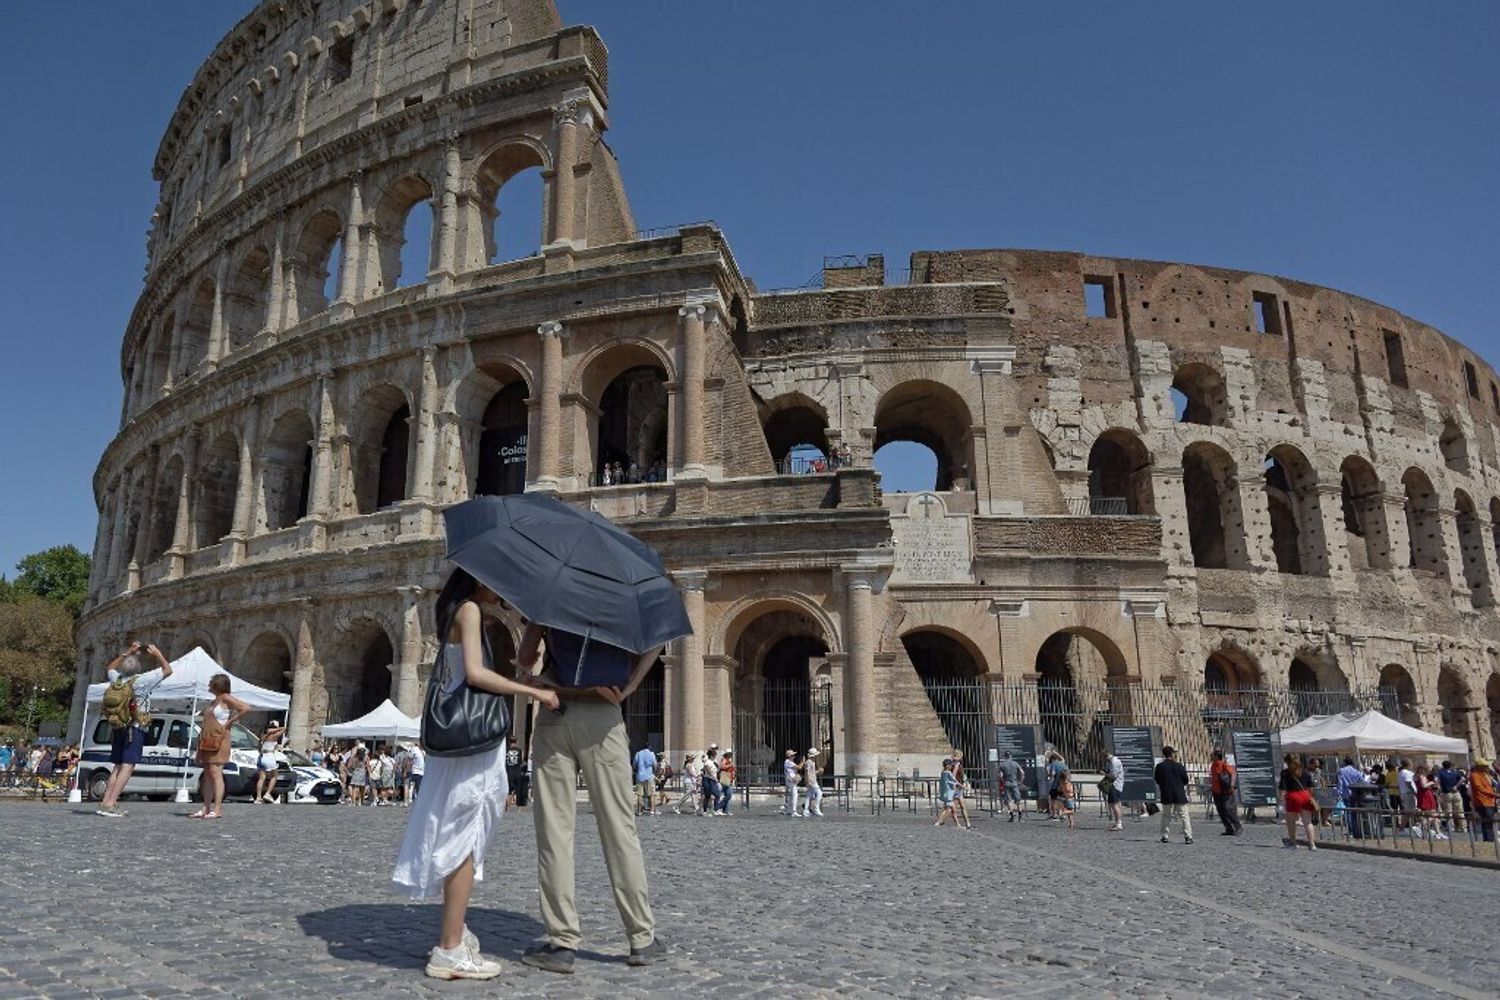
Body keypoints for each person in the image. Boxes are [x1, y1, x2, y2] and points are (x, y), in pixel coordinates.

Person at [390, 570, 559, 980]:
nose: (502, 588)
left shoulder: (453, 610)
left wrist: (520, 676)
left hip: (457, 739)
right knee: (464, 836)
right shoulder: (467, 610)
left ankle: (455, 930)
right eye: (497, 581)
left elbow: (466, 676)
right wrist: (533, 692)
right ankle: (449, 949)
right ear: (481, 579)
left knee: (457, 830)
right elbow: (476, 674)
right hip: (472, 745)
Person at [513, 618, 665, 974]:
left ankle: (562, 942)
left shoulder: (553, 593)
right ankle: (641, 937)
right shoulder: (622, 596)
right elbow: (657, 640)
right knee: (620, 832)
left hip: (555, 710)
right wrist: (630, 686)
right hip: (603, 714)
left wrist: (534, 658)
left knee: (554, 834)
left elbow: (524, 657)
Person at [96, 641, 174, 818]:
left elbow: (110, 667)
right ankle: (111, 803)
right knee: (128, 766)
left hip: (118, 725)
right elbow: (168, 670)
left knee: (117, 766)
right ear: (137, 669)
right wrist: (158, 654)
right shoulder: (141, 681)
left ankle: (106, 802)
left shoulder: (116, 679)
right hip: (135, 727)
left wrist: (128, 652)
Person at [192, 673, 249, 820]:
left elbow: (245, 708)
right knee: (208, 774)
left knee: (216, 773)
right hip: (208, 739)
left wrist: (231, 722)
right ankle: (205, 807)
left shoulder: (225, 698)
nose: (209, 685)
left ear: (217, 685)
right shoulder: (214, 701)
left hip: (219, 740)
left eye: (211, 683)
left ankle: (217, 809)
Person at [1153, 745, 1193, 845]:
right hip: (1179, 793)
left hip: (1166, 793)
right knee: (1184, 816)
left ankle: (1164, 835)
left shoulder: (1160, 766)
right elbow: (1186, 780)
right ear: (1172, 754)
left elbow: (1157, 780)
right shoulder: (1179, 766)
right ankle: (1188, 836)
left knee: (1166, 816)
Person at [1278, 753, 1318, 850]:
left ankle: (1293, 842)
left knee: (1291, 821)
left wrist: (1280, 798)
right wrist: (1311, 797)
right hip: (1305, 796)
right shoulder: (1305, 772)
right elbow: (1311, 787)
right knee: (1308, 822)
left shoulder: (1285, 773)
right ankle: (1312, 844)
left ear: (1287, 762)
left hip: (1293, 796)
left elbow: (1282, 787)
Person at [1208, 749, 1242, 836]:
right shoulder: (1213, 765)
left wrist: (1232, 785)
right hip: (1216, 791)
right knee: (1221, 811)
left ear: (1216, 756)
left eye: (1212, 755)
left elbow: (1233, 774)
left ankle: (1238, 827)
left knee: (1228, 809)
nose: (1210, 756)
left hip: (1226, 791)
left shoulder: (1224, 764)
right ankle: (1229, 828)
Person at [253, 718, 286, 804]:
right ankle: (267, 793)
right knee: (274, 776)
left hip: (261, 756)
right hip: (269, 756)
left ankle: (258, 797)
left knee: (261, 778)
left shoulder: (262, 737)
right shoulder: (274, 736)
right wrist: (275, 730)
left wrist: (269, 731)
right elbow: (284, 728)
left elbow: (258, 749)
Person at [1336, 756, 1366, 838]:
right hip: (1355, 794)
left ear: (1345, 762)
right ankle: (1357, 829)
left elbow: (1340, 783)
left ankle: (1351, 831)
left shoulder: (1341, 771)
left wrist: (1339, 793)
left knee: (1348, 812)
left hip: (1346, 794)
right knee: (1355, 812)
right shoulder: (1356, 771)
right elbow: (1362, 781)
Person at [1414, 764, 1446, 841]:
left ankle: (1438, 832)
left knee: (1433, 815)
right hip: (1426, 796)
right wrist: (1431, 783)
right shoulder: (1422, 777)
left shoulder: (1418, 777)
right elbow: (1424, 786)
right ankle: (1420, 826)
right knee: (1433, 814)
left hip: (1426, 795)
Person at [1468, 757, 1496, 843]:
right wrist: (1494, 794)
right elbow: (1480, 789)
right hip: (1483, 802)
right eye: (1484, 766)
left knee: (1489, 821)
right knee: (1487, 821)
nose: (1486, 768)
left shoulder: (1483, 775)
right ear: (1479, 767)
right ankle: (1488, 840)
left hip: (1489, 801)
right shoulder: (1474, 775)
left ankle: (1490, 839)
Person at [1435, 759, 1466, 834]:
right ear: (1450, 766)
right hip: (1456, 792)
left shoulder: (1441, 773)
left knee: (1448, 811)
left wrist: (1439, 787)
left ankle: (1451, 827)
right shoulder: (1455, 772)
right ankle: (1463, 827)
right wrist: (1456, 786)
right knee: (1460, 811)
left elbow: (1436, 779)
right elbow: (1463, 778)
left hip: (1447, 793)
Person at [997, 751, 1026, 822]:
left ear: (1005, 756)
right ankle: (1020, 816)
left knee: (1009, 800)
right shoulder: (1015, 763)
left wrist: (1003, 780)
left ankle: (1012, 816)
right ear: (1011, 756)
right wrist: (1021, 781)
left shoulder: (1002, 765)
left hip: (1007, 783)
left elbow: (1000, 775)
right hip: (1014, 782)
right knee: (1018, 800)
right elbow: (1022, 772)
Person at [1101, 751, 1124, 831]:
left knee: (1114, 805)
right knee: (1115, 804)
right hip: (1117, 785)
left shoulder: (1113, 762)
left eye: (1104, 758)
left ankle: (1118, 823)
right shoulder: (1114, 761)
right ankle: (1118, 821)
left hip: (1115, 785)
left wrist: (1104, 773)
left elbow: (1113, 776)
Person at [633, 743, 658, 817]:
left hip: (640, 776)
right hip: (649, 776)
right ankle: (652, 811)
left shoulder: (638, 754)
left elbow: (634, 764)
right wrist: (654, 771)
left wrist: (636, 770)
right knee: (652, 794)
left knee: (639, 794)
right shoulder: (652, 754)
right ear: (649, 747)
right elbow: (655, 765)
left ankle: (639, 811)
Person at [950, 750, 972, 830]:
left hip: (957, 787)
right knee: (957, 807)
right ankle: (959, 824)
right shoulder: (956, 764)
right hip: (956, 787)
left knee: (962, 806)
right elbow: (953, 777)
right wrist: (962, 785)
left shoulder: (952, 764)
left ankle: (967, 823)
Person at [934, 758, 959, 827]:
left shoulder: (943, 773)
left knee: (953, 810)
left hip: (947, 794)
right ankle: (939, 822)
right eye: (951, 765)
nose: (951, 766)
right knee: (947, 809)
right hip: (949, 794)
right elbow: (954, 781)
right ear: (948, 765)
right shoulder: (948, 773)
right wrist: (961, 786)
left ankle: (957, 824)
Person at [1044, 750, 1068, 820]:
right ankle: (1061, 814)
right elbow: (1063, 758)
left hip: (1055, 785)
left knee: (1053, 800)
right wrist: (1055, 752)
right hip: (1063, 785)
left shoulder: (1053, 764)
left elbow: (1053, 774)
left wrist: (1048, 774)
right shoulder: (1062, 763)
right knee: (1061, 800)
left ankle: (1054, 814)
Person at [802, 748, 824, 818]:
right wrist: (807, 781)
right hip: (812, 781)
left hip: (813, 780)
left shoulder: (812, 762)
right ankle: (816, 808)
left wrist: (818, 771)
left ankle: (806, 810)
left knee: (809, 795)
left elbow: (812, 773)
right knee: (819, 793)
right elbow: (807, 773)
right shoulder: (809, 762)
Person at [699, 744, 721, 817]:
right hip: (708, 780)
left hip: (713, 780)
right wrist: (715, 779)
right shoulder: (707, 761)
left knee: (717, 794)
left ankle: (716, 810)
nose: (716, 754)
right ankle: (704, 811)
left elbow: (717, 769)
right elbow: (708, 770)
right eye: (714, 753)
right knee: (707, 796)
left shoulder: (714, 761)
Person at [715, 749, 736, 815]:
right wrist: (730, 765)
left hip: (728, 778)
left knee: (727, 794)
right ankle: (719, 807)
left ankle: (725, 809)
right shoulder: (724, 760)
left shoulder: (728, 760)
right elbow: (722, 766)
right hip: (725, 779)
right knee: (728, 794)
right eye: (730, 754)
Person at [782, 749, 800, 817]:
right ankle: (794, 811)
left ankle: (787, 809)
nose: (794, 756)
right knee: (795, 795)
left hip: (790, 780)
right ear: (789, 756)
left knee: (790, 796)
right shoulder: (788, 762)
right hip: (791, 781)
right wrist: (802, 762)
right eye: (792, 755)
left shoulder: (789, 762)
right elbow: (799, 767)